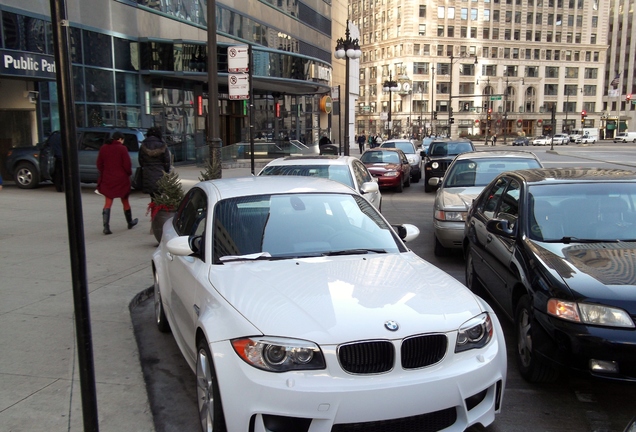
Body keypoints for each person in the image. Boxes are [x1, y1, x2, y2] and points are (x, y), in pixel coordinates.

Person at [96, 131, 138, 235]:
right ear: (120, 139)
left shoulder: (104, 148)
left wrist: (104, 172)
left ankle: (106, 227)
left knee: (108, 201)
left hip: (108, 178)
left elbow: (99, 164)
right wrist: (128, 173)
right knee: (125, 200)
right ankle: (129, 222)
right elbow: (127, 165)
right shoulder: (122, 149)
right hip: (121, 178)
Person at [139, 127, 171, 198]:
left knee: (152, 196)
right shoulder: (162, 145)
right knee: (159, 195)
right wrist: (166, 171)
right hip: (160, 172)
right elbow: (167, 161)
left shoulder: (143, 145)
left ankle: (153, 208)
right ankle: (158, 208)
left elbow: (141, 160)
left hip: (148, 173)